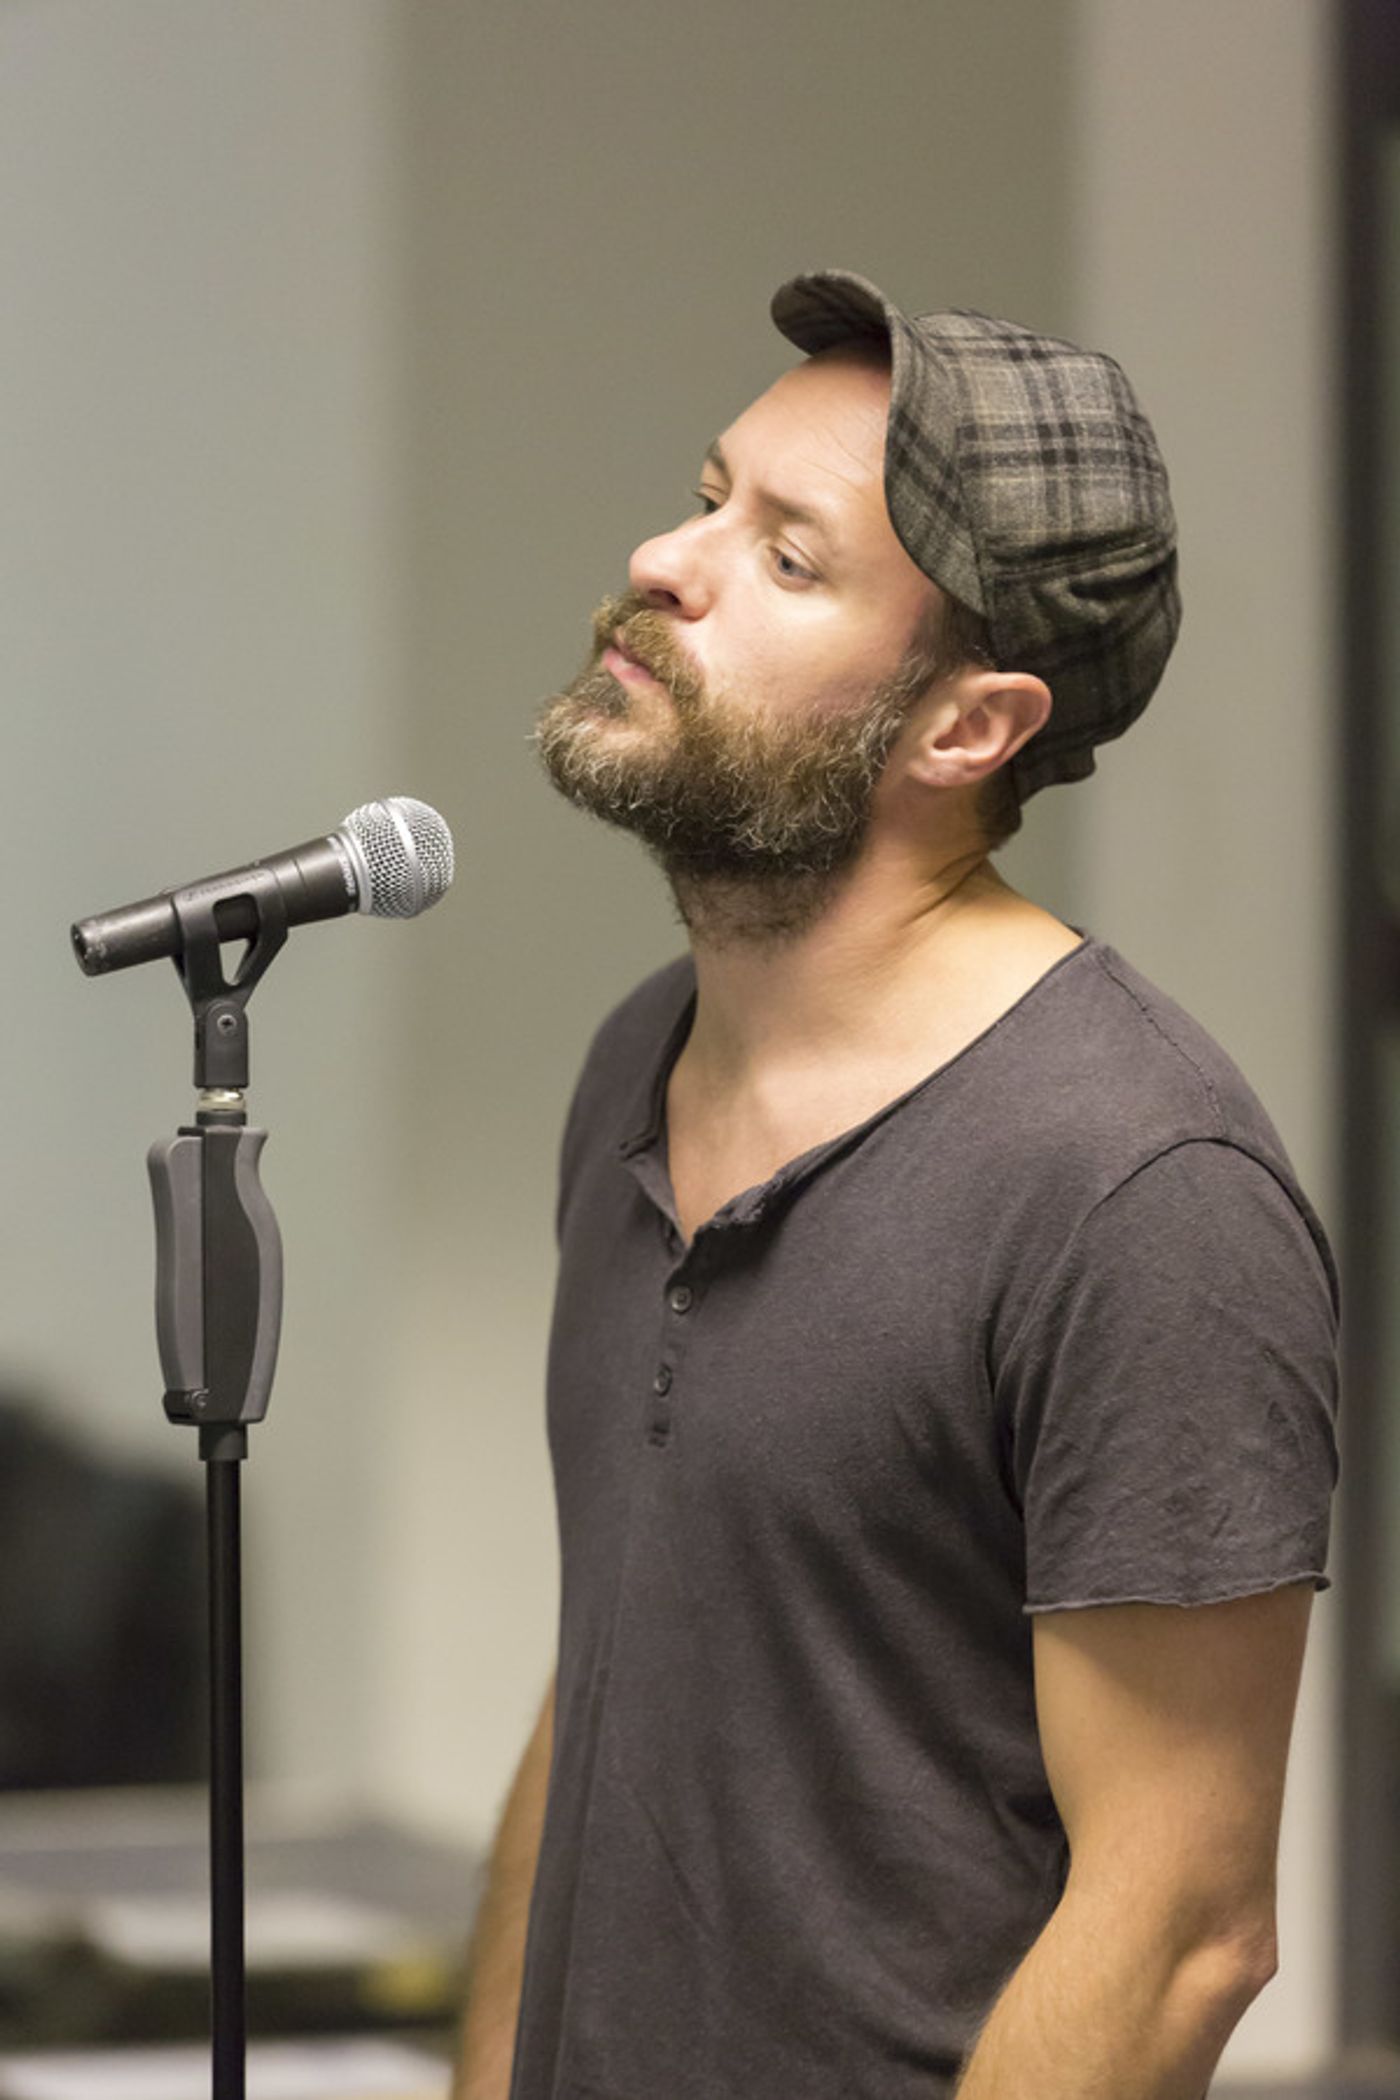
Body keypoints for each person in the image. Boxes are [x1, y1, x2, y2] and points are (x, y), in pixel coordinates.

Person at [454, 270, 1340, 2100]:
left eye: (787, 559)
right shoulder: (642, 1059)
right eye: (710, 496)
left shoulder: (1137, 1192)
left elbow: (1183, 1930)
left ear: (964, 729)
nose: (666, 562)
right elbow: (604, 1686)